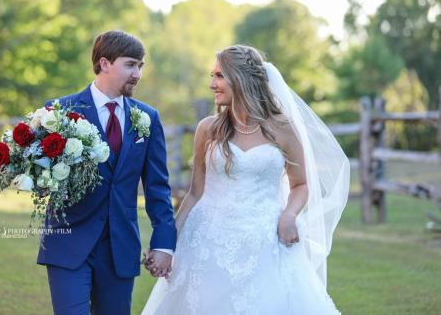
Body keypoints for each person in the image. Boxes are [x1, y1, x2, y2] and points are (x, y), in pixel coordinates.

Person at [142, 45, 350, 314]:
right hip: (207, 243)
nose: (211, 84)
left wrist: (289, 215)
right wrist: (167, 244)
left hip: (264, 241)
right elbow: (195, 193)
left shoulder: (283, 129)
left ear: (241, 79)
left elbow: (301, 185)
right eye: (212, 76)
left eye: (219, 76)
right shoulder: (208, 129)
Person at [37, 30, 177, 315]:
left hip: (120, 248)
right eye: (130, 64)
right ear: (104, 63)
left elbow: (158, 187)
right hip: (69, 242)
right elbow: (40, 175)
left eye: (141, 66)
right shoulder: (60, 112)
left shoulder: (147, 118)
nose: (137, 73)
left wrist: (164, 243)